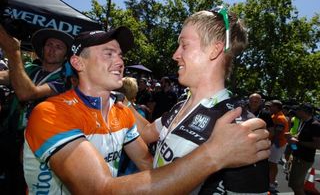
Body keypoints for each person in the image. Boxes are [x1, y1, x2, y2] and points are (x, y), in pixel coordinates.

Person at [23, 26, 270, 194]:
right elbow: (96, 190)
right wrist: (212, 155)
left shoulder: (119, 111)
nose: (120, 61)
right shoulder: (50, 112)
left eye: (120, 54)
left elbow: (147, 164)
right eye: (108, 53)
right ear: (78, 62)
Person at [128, 8, 270, 194]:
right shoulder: (181, 104)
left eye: (184, 45)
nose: (175, 55)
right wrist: (121, 102)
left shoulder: (240, 126)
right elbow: (146, 133)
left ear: (214, 50)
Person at [0, 26, 73, 194]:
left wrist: (12, 51)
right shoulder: (31, 69)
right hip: (8, 135)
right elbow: (6, 76)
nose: (52, 49)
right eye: (49, 44)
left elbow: (28, 93)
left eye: (58, 47)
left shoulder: (64, 82)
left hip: (32, 146)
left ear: (65, 54)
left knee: (18, 187)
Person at [288, 103, 320, 195]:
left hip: (304, 159)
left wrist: (298, 142)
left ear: (304, 112)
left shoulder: (315, 125)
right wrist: (292, 138)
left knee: (296, 185)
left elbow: (317, 145)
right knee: (296, 184)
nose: (296, 112)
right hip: (297, 156)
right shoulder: (304, 122)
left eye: (299, 110)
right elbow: (301, 138)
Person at [268, 99, 289, 192]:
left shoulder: (280, 118)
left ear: (276, 107)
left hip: (277, 144)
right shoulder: (274, 115)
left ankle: (272, 183)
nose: (270, 107)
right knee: (271, 163)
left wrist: (269, 143)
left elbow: (276, 133)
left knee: (273, 164)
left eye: (272, 106)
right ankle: (271, 180)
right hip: (274, 143)